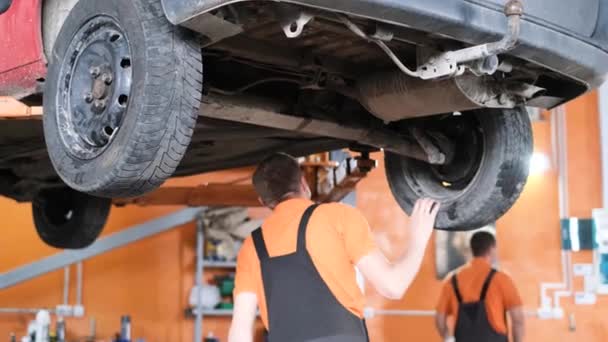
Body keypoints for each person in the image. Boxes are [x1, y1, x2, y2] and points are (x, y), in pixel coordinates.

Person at [228, 153, 439, 342]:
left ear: (263, 201)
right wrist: (418, 239)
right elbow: (393, 286)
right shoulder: (337, 217)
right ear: (303, 183)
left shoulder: (252, 246)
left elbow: (239, 332)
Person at [435, 231, 525, 342]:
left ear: (472, 249)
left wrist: (448, 339)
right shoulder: (501, 279)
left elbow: (439, 318)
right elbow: (518, 320)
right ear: (492, 249)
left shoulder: (452, 280)